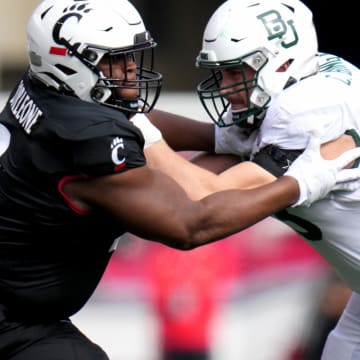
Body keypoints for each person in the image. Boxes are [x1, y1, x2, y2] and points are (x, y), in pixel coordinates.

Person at [2, 0, 358, 359]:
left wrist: (219, 137)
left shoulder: (44, 89)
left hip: (25, 314)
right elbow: (192, 221)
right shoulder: (82, 135)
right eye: (114, 60)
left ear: (282, 64)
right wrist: (306, 180)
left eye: (238, 72)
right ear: (65, 62)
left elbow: (143, 135)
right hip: (17, 319)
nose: (130, 70)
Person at [142, 0, 360, 359]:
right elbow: (206, 146)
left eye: (235, 72)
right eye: (222, 73)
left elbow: (204, 195)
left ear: (283, 63)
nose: (226, 88)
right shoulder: (304, 82)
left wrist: (138, 131)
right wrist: (114, 117)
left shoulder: (300, 111)